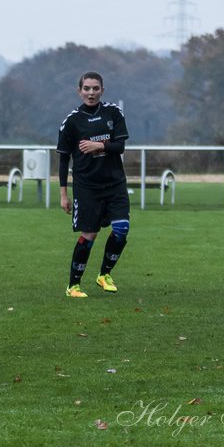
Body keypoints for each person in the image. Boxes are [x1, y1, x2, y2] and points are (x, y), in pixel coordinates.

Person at [57, 72, 131, 297]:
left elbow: (120, 147)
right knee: (90, 235)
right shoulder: (71, 121)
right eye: (87, 88)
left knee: (121, 229)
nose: (91, 93)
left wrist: (99, 146)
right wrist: (63, 194)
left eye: (95, 88)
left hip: (114, 183)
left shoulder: (113, 113)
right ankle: (73, 285)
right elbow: (63, 159)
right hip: (86, 187)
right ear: (79, 91)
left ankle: (104, 274)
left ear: (102, 90)